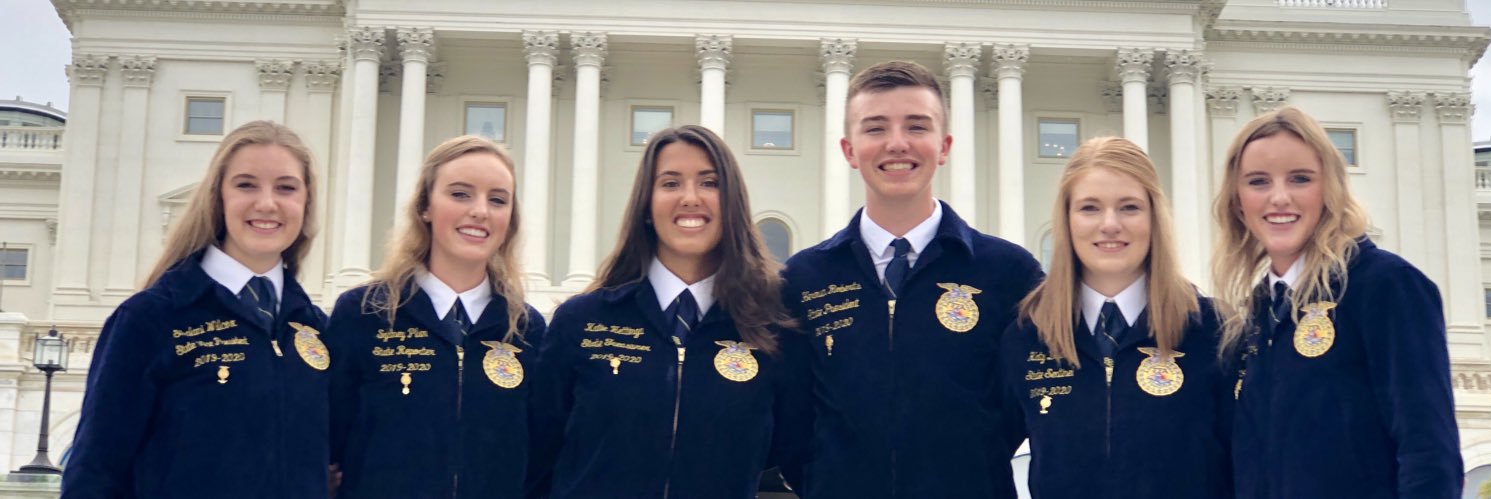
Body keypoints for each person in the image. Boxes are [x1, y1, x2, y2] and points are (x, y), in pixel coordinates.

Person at [778, 60, 1043, 498]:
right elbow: (790, 411)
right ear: (849, 150)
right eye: (875, 128)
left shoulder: (1008, 273)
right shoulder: (804, 280)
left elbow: (1024, 401)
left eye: (917, 126)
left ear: (944, 146)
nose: (897, 144)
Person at [528, 125, 812, 499]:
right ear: (646, 205)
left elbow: (802, 458)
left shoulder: (771, 330)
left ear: (732, 206)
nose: (690, 198)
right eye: (670, 183)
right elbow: (535, 459)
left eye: (709, 183)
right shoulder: (581, 322)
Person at [62, 121, 329, 498]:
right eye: (246, 184)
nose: (267, 203)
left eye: (286, 187)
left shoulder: (316, 329)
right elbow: (96, 468)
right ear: (218, 197)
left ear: (305, 203)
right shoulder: (151, 318)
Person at [1214, 106, 1462, 498]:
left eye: (1300, 179)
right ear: (1237, 202)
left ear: (1329, 188)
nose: (1279, 197)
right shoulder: (1254, 320)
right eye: (1258, 181)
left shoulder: (1385, 285)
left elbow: (1428, 451)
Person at [996, 137, 1233, 498]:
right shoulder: (1028, 337)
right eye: (1090, 208)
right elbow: (985, 458)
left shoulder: (1213, 332)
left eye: (1129, 207)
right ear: (1067, 219)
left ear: (1154, 217)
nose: (1110, 224)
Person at [325, 136, 545, 498]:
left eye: (497, 199)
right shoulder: (363, 314)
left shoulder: (527, 329)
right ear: (425, 206)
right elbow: (330, 441)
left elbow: (540, 456)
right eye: (460, 194)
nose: (480, 211)